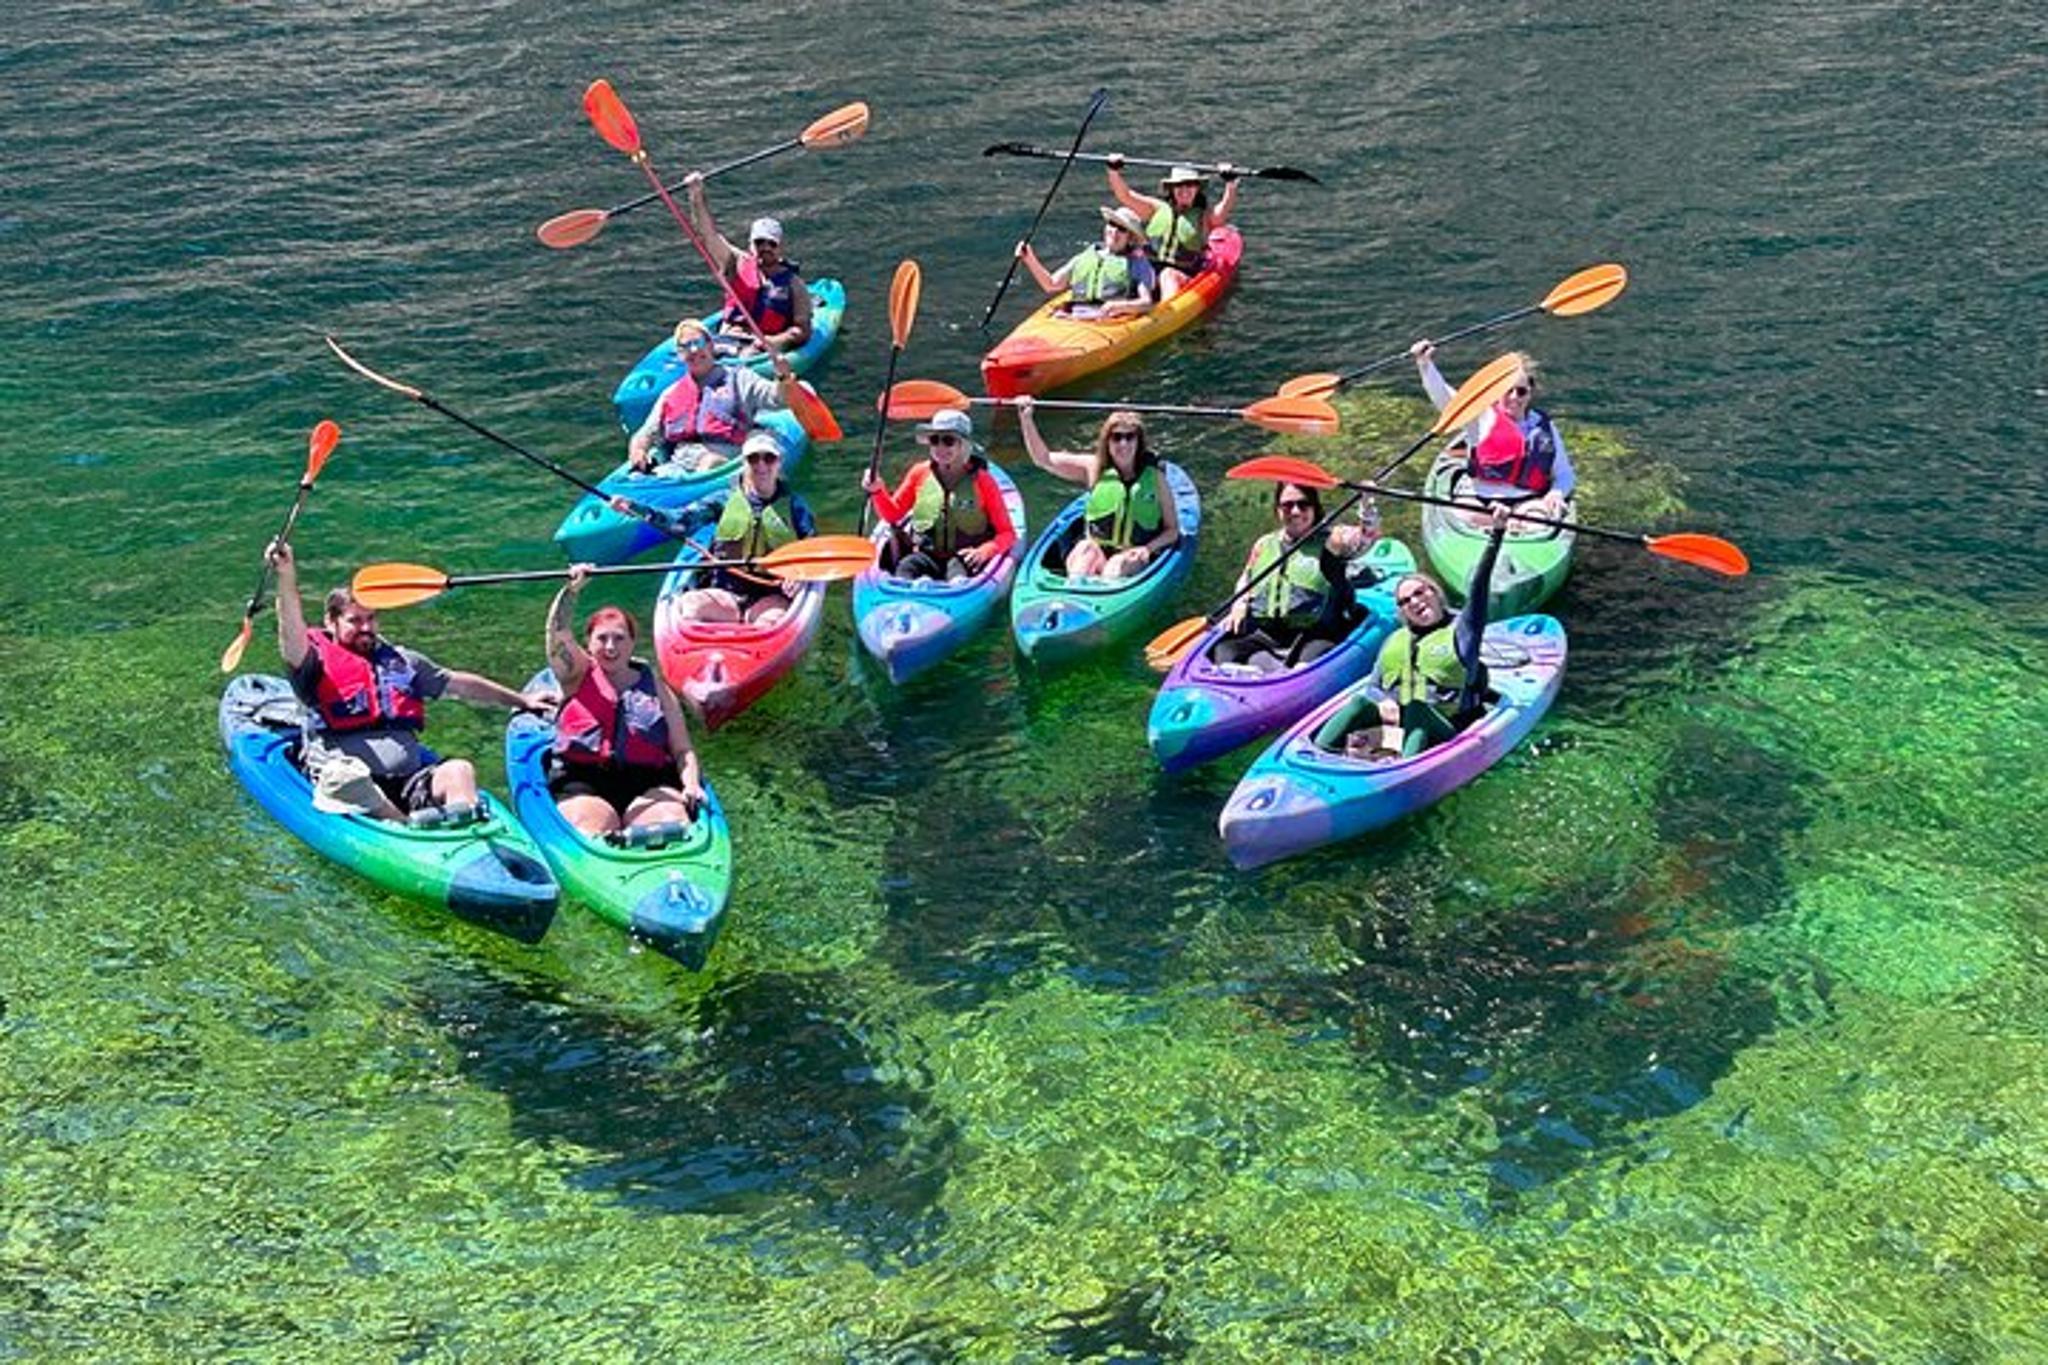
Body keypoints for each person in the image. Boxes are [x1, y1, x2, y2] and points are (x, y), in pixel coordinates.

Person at [268, 541, 542, 823]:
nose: (366, 627)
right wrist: (286, 576)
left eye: (371, 619)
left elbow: (458, 683)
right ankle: (406, 825)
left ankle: (461, 829)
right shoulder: (311, 664)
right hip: (349, 787)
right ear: (331, 621)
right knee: (348, 778)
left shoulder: (402, 660)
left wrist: (522, 701)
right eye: (355, 620)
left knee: (459, 770)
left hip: (408, 781)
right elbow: (290, 629)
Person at [543, 565, 705, 839]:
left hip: (647, 782)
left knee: (671, 824)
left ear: (632, 643)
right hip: (584, 779)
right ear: (588, 643)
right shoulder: (576, 674)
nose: (610, 647)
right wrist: (571, 590)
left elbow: (682, 751)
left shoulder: (656, 688)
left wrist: (691, 784)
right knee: (590, 828)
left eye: (619, 638)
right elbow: (557, 633)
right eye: (602, 639)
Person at [1340, 504, 1512, 759]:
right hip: (1399, 730)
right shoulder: (1395, 640)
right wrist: (1382, 702)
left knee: (1417, 708)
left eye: (1420, 593)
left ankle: (1399, 769)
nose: (1415, 602)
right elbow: (1373, 687)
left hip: (1444, 729)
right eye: (1405, 601)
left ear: (1436, 594)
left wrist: (1496, 533)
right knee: (1357, 705)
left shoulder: (1463, 634)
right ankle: (1313, 760)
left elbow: (1479, 586)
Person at [662, 429, 819, 626]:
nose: (761, 465)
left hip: (771, 597)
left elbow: (814, 550)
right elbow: (680, 521)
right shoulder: (723, 500)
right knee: (690, 607)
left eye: (769, 458)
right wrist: (638, 509)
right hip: (726, 594)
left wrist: (801, 573)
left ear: (778, 464)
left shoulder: (795, 506)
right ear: (744, 464)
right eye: (753, 459)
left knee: (769, 623)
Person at [1014, 398, 1180, 579]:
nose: (1123, 444)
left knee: (1116, 566)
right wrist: (1026, 419)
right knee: (1085, 550)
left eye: (1129, 437)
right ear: (1107, 442)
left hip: (1132, 557)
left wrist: (1147, 548)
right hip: (1097, 551)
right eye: (1116, 437)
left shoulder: (1156, 478)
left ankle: (1106, 596)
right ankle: (1075, 591)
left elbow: (1172, 531)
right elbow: (1043, 459)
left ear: (1138, 442)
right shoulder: (1093, 467)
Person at [1214, 482, 1371, 671]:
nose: (1295, 512)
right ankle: (1262, 668)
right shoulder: (1264, 544)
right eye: (1287, 505)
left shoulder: (1333, 541)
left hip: (1315, 635)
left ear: (1314, 508)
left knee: (1305, 664)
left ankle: (1276, 674)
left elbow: (1366, 536)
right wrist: (1239, 603)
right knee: (1224, 650)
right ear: (1278, 510)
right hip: (1267, 636)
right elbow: (1247, 578)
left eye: (1303, 504)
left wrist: (1367, 502)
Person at [1412, 342, 1575, 520]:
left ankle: (1516, 527)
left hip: (1527, 502)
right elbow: (1445, 397)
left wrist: (1556, 493)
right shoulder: (1481, 416)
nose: (1514, 397)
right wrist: (1425, 364)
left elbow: (1564, 473)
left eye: (1521, 392)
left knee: (1539, 517)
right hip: (1481, 501)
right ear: (1497, 392)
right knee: (1464, 513)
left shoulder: (1544, 427)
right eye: (1507, 391)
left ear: (1530, 393)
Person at [860, 407, 1019, 581]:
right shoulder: (918, 473)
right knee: (906, 568)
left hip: (962, 558)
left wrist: (984, 551)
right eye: (935, 440)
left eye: (948, 441)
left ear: (963, 445)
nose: (940, 447)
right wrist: (877, 490)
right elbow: (892, 514)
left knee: (957, 576)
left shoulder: (983, 481)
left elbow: (1007, 533)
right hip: (925, 556)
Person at [627, 319, 796, 475]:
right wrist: (638, 451)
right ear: (680, 355)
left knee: (710, 463)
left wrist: (783, 379)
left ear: (710, 346)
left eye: (698, 343)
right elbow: (645, 434)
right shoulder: (671, 394)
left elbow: (777, 399)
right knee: (647, 474)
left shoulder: (740, 379)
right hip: (680, 463)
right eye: (685, 346)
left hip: (721, 460)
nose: (693, 350)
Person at [684, 171, 813, 357]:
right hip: (726, 341)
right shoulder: (734, 263)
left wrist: (773, 342)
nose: (766, 248)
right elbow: (708, 235)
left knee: (747, 355)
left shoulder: (795, 285)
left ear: (781, 248)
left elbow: (802, 331)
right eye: (760, 242)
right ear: (750, 244)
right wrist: (696, 195)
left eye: (772, 243)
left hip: (759, 349)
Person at [1105, 156, 1240, 300]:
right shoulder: (1155, 208)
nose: (1184, 190)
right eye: (1179, 186)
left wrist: (1230, 184)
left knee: (1168, 275)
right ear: (1171, 189)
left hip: (1183, 274)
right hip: (1148, 269)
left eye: (1190, 185)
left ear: (1197, 188)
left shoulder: (1203, 217)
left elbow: (1222, 212)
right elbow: (1125, 195)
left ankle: (1164, 314)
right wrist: (1113, 171)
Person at [1014, 206, 1158, 320]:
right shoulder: (1085, 256)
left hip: (1108, 321)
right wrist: (1029, 258)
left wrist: (1120, 306)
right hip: (1073, 318)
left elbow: (1146, 303)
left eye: (1121, 229)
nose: (1114, 231)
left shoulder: (1136, 263)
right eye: (1112, 224)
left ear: (1130, 237)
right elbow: (1051, 285)